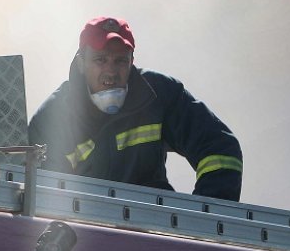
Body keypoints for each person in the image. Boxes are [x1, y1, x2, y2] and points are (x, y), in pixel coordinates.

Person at [27, 16, 243, 200]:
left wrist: (204, 218)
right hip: (85, 228)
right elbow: (44, 199)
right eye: (100, 60)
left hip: (154, 224)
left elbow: (220, 148)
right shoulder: (52, 120)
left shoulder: (160, 94)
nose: (111, 72)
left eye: (120, 61)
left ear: (132, 62)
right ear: (81, 63)